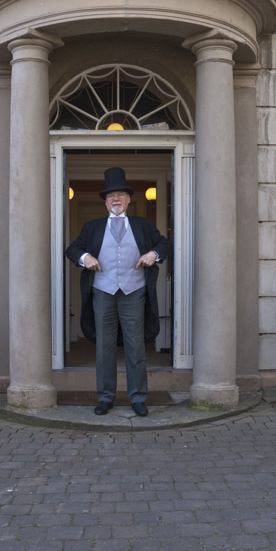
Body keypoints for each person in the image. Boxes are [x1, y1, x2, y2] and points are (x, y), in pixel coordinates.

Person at [65, 167, 171, 417]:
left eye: (121, 195)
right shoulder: (92, 227)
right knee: (104, 348)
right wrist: (85, 257)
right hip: (103, 291)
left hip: (134, 291)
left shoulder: (143, 225)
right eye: (111, 195)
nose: (116, 199)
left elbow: (163, 244)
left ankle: (138, 398)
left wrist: (152, 254)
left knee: (136, 347)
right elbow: (72, 250)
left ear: (128, 199)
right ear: (104, 201)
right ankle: (105, 397)